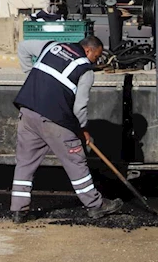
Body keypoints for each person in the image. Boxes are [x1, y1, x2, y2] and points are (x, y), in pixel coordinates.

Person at [10, 36, 123, 224]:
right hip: (55, 119)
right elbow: (79, 108)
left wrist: (30, 74)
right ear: (88, 51)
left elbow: (23, 47)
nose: (96, 61)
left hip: (28, 112)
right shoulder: (85, 71)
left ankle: (18, 211)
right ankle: (95, 205)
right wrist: (82, 130)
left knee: (25, 164)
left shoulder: (52, 46)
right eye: (96, 56)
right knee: (76, 161)